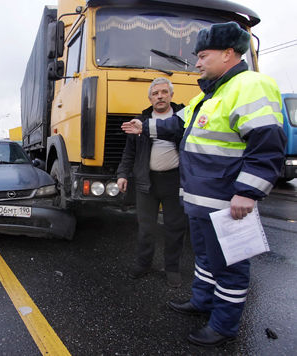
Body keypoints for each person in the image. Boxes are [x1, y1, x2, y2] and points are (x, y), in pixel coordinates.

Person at [122, 22, 286, 347]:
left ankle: (223, 326)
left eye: (202, 55)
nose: (197, 63)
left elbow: (267, 145)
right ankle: (202, 301)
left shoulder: (250, 86)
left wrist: (248, 192)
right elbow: (175, 125)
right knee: (207, 260)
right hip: (199, 201)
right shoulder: (209, 94)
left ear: (228, 54)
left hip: (228, 203)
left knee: (230, 268)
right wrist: (144, 127)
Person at [117, 77, 187, 288]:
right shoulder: (139, 121)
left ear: (171, 95)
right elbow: (129, 153)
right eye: (155, 93)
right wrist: (122, 174)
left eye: (164, 92)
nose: (160, 96)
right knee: (146, 227)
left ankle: (172, 269)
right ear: (149, 97)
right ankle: (143, 264)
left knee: (175, 227)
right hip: (146, 182)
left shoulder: (183, 118)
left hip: (175, 181)